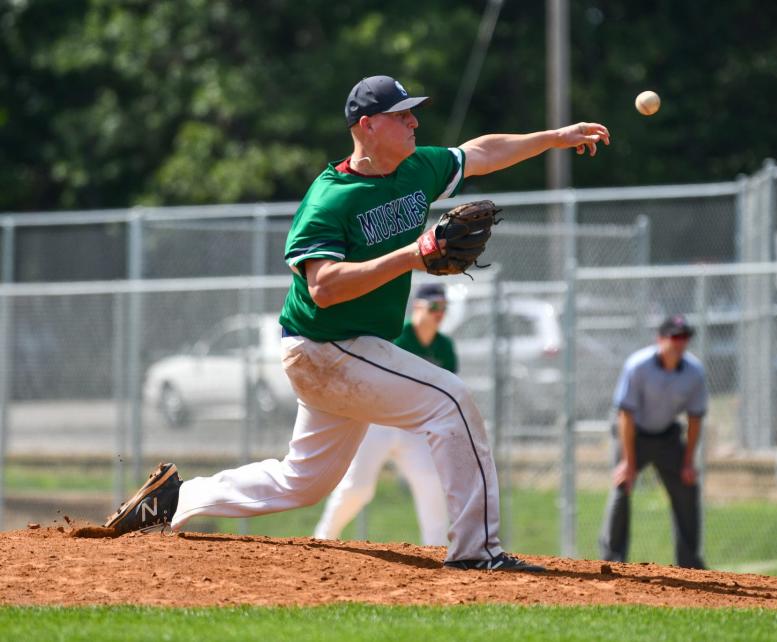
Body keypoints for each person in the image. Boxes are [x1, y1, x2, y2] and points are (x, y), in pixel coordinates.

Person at [105, 74, 610, 572]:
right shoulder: (330, 199)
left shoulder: (416, 168)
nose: (414, 121)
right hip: (324, 347)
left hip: (349, 350)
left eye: (413, 111)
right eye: (401, 114)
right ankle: (477, 551)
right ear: (367, 126)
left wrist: (556, 138)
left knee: (302, 481)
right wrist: (413, 255)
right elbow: (324, 287)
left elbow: (478, 152)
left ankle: (173, 501)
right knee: (451, 401)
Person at [313, 283, 455, 545]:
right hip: (377, 424)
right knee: (357, 488)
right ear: (417, 307)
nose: (439, 313)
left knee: (431, 483)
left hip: (413, 428)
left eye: (444, 308)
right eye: (434, 306)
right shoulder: (400, 336)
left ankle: (438, 550)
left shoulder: (444, 346)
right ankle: (323, 540)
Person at [598, 314, 708, 569]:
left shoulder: (694, 372)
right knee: (621, 487)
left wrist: (688, 462)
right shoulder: (638, 366)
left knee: (687, 487)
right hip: (632, 434)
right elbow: (625, 414)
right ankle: (613, 559)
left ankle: (690, 563)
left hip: (667, 436)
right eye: (675, 337)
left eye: (685, 338)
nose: (680, 343)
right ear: (660, 339)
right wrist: (628, 462)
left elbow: (695, 418)